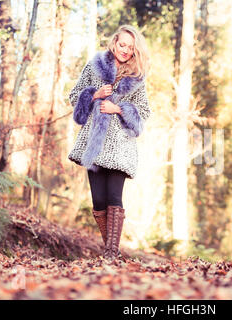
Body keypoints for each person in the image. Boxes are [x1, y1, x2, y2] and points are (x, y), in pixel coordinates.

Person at [67, 25, 151, 262]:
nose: (125, 50)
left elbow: (144, 112)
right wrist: (94, 95)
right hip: (94, 143)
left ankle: (111, 255)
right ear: (114, 42)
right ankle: (111, 251)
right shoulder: (94, 65)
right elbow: (74, 96)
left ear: (135, 51)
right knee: (99, 201)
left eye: (130, 47)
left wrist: (119, 108)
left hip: (120, 145)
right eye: (122, 44)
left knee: (115, 197)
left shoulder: (137, 76)